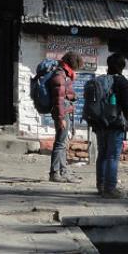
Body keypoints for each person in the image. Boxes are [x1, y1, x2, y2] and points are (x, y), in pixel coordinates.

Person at [92, 53, 128, 199]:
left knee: (102, 154)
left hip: (99, 124)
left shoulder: (98, 80)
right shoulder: (122, 82)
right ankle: (110, 189)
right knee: (112, 156)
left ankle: (101, 186)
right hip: (116, 124)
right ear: (122, 67)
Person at [48, 51, 84, 183]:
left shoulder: (64, 73)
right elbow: (58, 99)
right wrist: (61, 118)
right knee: (60, 143)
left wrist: (72, 96)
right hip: (61, 113)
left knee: (63, 143)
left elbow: (63, 94)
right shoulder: (60, 75)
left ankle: (63, 171)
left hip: (64, 111)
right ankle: (55, 173)